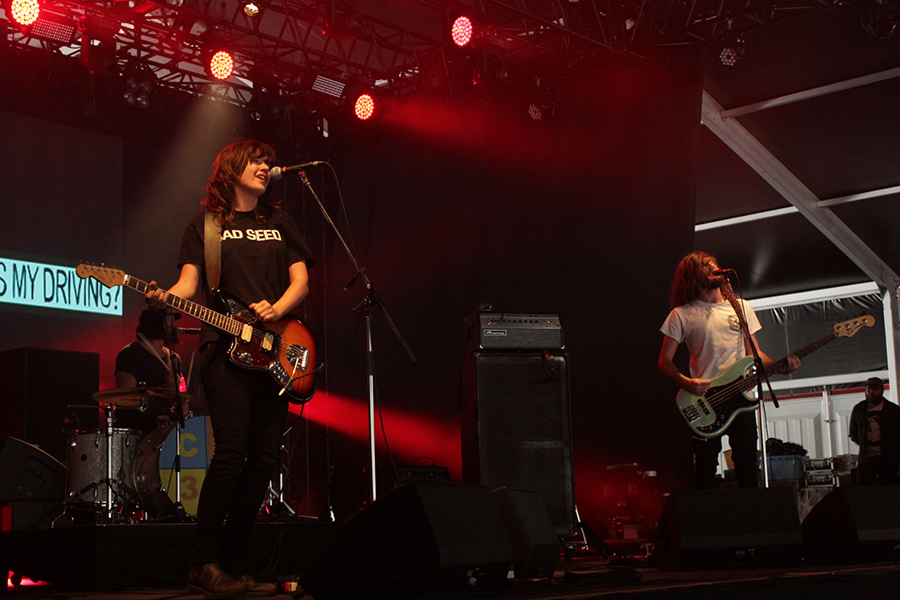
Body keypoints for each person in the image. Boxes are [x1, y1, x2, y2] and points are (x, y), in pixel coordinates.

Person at [147, 139, 314, 598]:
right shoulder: (205, 225)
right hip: (225, 350)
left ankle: (235, 568)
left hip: (275, 349)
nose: (265, 166)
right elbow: (189, 284)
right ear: (231, 168)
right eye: (256, 160)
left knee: (264, 458)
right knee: (232, 452)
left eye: (268, 161)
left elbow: (301, 280)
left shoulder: (279, 221)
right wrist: (166, 297)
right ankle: (203, 563)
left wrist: (275, 309)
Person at [658, 251, 800, 490]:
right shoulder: (682, 315)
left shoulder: (740, 307)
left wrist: (782, 367)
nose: (712, 267)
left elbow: (754, 356)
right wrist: (686, 382)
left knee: (747, 469)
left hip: (742, 399)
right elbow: (664, 361)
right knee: (704, 470)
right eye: (705, 265)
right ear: (692, 276)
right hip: (706, 401)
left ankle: (750, 513)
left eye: (713, 263)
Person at [849, 377, 900, 485]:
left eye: (875, 389)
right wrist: (864, 443)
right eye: (869, 388)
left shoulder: (893, 410)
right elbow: (853, 432)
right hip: (866, 459)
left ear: (882, 390)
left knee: (888, 488)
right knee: (864, 488)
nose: (871, 392)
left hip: (888, 459)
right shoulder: (859, 409)